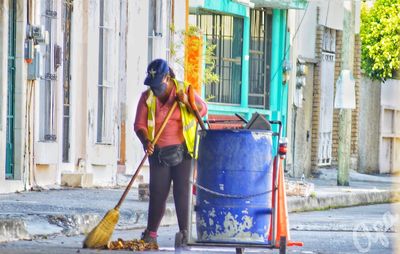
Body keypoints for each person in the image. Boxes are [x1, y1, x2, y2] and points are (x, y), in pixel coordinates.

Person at [134, 59, 207, 246]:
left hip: (184, 152)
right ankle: (150, 235)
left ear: (167, 78)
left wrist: (187, 103)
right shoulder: (147, 98)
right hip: (158, 153)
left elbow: (203, 109)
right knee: (157, 193)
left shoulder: (184, 90)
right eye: (152, 86)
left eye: (158, 85)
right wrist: (146, 141)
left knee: (182, 193)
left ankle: (184, 234)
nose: (155, 90)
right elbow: (139, 125)